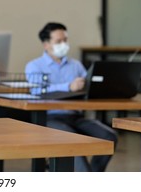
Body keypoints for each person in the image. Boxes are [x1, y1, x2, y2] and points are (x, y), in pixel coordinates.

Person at [25, 22, 118, 172]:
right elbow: (37, 91)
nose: (64, 44)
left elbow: (88, 87)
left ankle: (93, 175)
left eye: (65, 40)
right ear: (46, 44)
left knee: (109, 136)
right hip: (49, 118)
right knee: (73, 139)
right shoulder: (34, 66)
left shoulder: (76, 65)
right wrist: (68, 86)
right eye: (58, 41)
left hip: (75, 116)